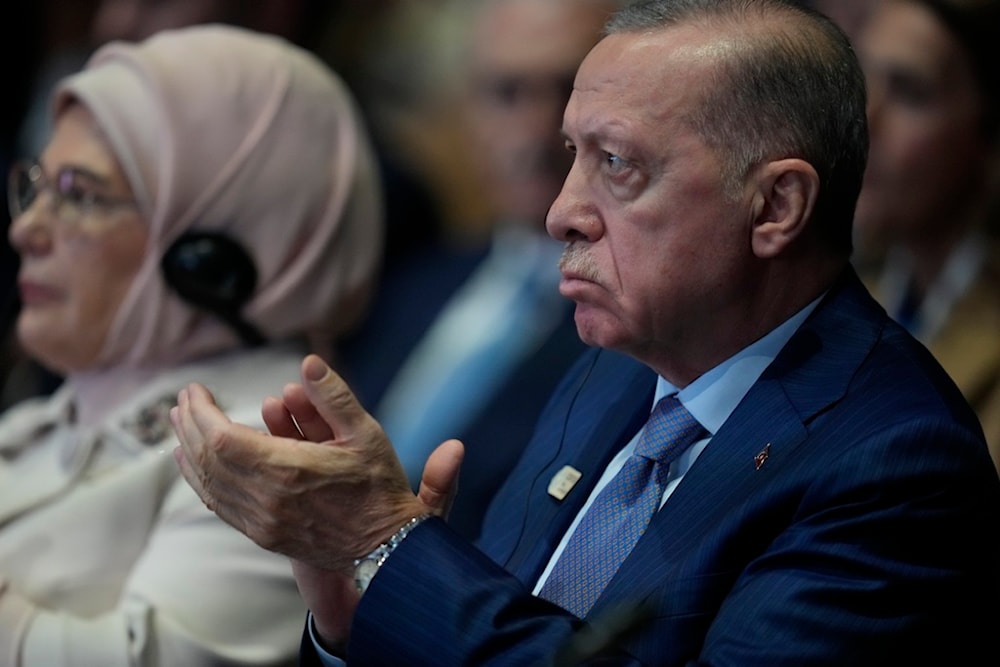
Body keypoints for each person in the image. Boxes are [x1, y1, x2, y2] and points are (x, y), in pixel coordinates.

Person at [171, 1, 1000, 664]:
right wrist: (357, 625)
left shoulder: (898, 461)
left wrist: (389, 545)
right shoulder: (616, 365)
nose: (561, 211)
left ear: (776, 206)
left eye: (617, 165)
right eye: (572, 155)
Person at [0, 24, 382, 666]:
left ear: (209, 252)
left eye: (79, 196)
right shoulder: (42, 419)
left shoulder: (273, 445)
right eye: (37, 186)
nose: (27, 230)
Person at [336, 0, 615, 539]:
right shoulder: (413, 281)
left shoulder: (643, 324)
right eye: (506, 93)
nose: (536, 129)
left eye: (569, 92)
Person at [851, 0, 1000, 473]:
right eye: (859, 78)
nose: (863, 117)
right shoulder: (855, 294)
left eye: (910, 92)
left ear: (987, 135)